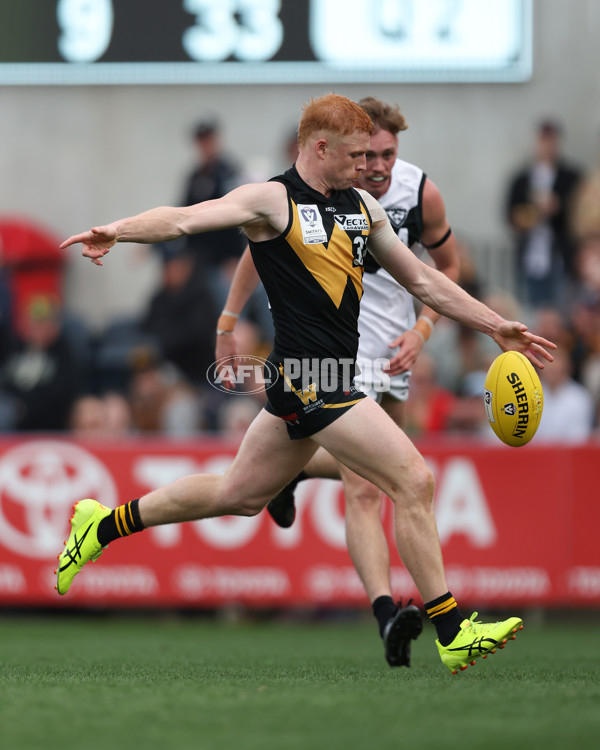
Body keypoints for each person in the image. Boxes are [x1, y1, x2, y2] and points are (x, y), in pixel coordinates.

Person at [55, 94, 555, 675]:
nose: (367, 166)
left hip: (323, 380)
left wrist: (496, 325)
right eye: (356, 155)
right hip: (312, 380)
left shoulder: (361, 207)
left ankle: (102, 524)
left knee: (239, 495)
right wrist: (118, 229)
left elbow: (424, 281)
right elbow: (187, 217)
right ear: (321, 147)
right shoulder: (273, 199)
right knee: (413, 480)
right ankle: (452, 629)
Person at [215, 96, 462, 667]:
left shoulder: (418, 193)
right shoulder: (315, 195)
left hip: (396, 346)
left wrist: (424, 331)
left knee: (379, 472)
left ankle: (293, 468)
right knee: (372, 486)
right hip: (341, 359)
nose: (373, 167)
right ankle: (388, 615)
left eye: (385, 156)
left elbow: (442, 272)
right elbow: (262, 246)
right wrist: (229, 319)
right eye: (365, 154)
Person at [505, 119, 582, 309]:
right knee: (531, 311)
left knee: (562, 309)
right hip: (530, 256)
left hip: (561, 256)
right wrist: (527, 216)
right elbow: (510, 214)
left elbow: (579, 215)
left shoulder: (571, 177)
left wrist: (558, 207)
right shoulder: (521, 179)